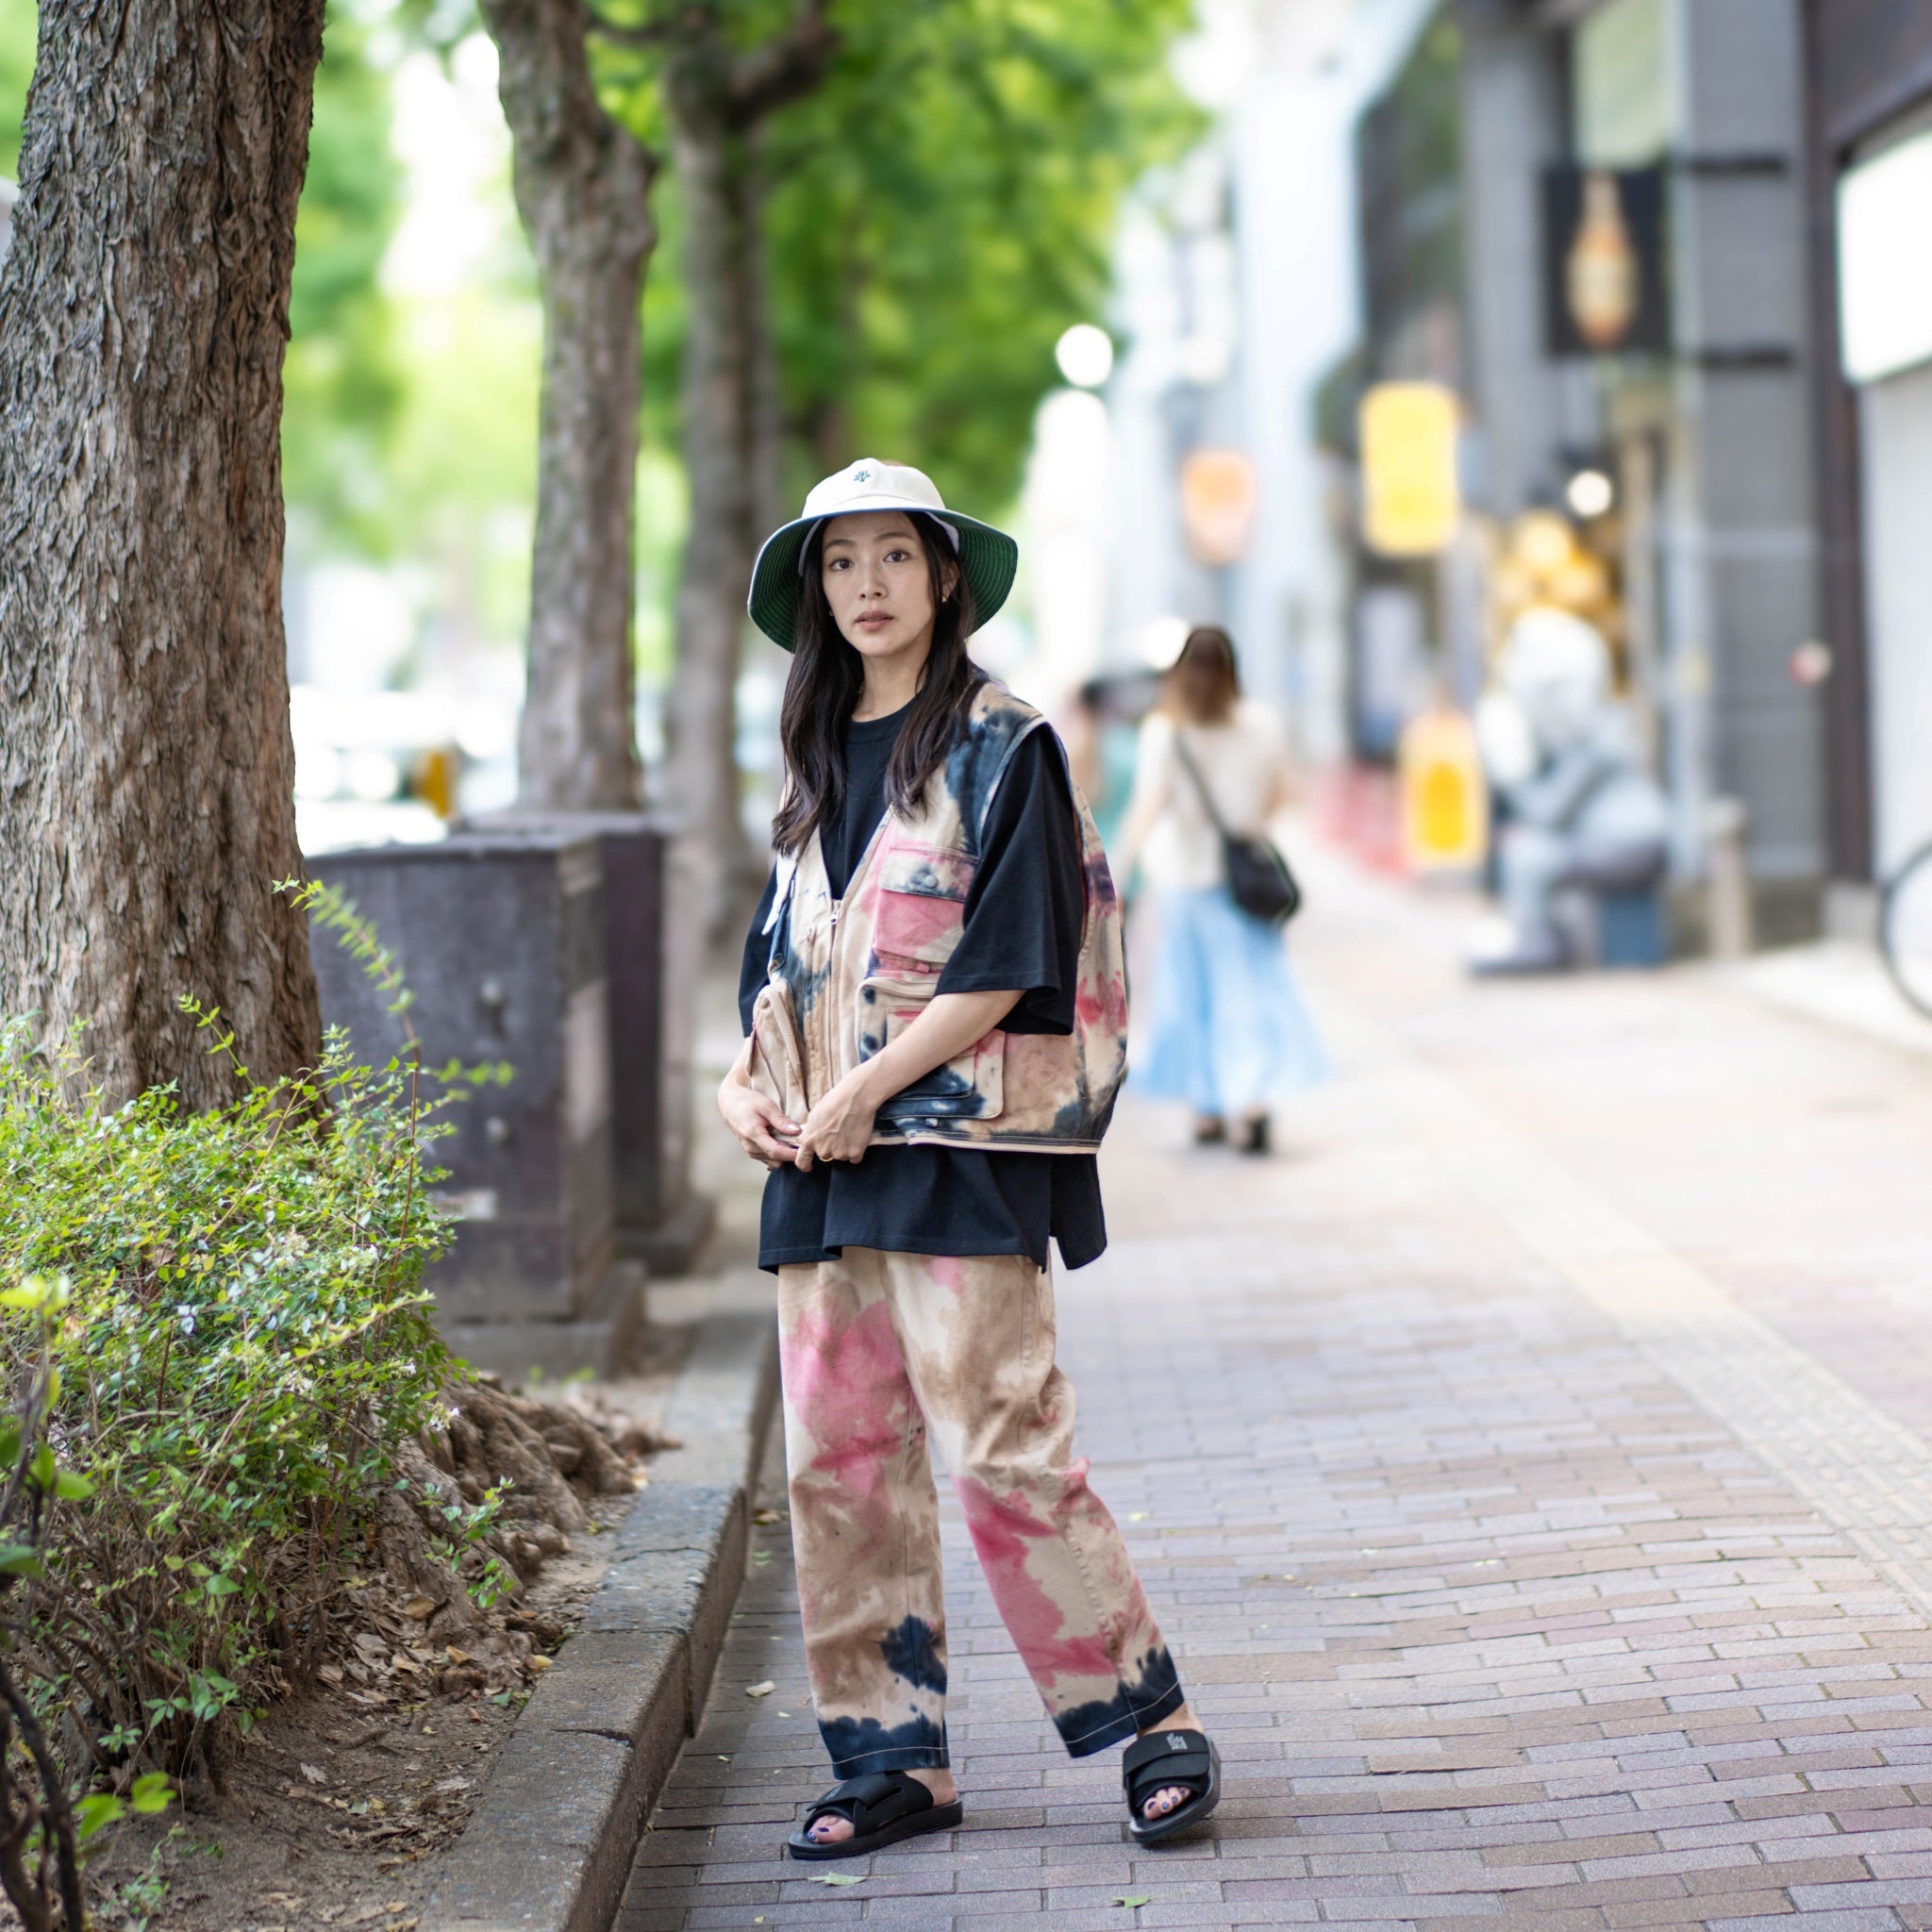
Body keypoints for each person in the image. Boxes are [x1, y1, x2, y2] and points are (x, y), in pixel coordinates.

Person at [719, 459, 1222, 1861]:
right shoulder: (819, 758)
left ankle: (1146, 1720)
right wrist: (736, 1089)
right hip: (821, 1167)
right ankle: (893, 1761)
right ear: (815, 592)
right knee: (839, 1464)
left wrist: (866, 1091)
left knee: (1007, 1449)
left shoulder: (1011, 748)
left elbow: (1008, 966)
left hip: (958, 1154)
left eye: (894, 556)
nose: (867, 586)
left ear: (946, 577)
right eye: (839, 563)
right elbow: (782, 962)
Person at [1114, 624, 1330, 1155]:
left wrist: (1117, 874)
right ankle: (1251, 1103)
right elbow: (1288, 793)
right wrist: (1246, 824)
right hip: (1243, 883)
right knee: (1248, 994)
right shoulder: (1262, 725)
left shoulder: (1166, 732)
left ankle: (1207, 1110)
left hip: (1186, 880)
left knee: (1192, 996)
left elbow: (1147, 809)